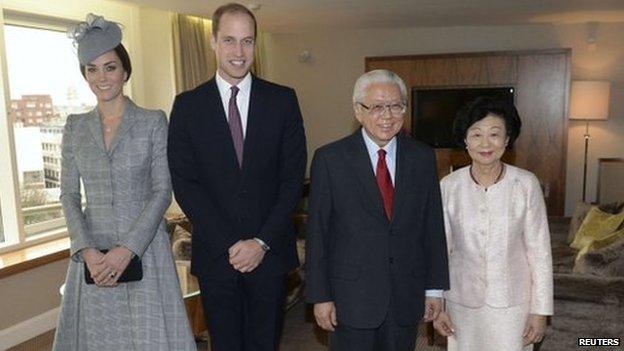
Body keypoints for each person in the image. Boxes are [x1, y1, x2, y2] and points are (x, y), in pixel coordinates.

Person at [167, 3, 307, 351]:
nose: (239, 52)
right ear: (213, 42)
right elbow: (186, 184)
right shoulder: (187, 106)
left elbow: (292, 181)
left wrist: (259, 243)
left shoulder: (283, 100)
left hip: (269, 255)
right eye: (229, 40)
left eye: (247, 41)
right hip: (217, 256)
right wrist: (232, 243)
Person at [53, 14, 196, 351]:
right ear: (85, 75)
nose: (102, 77)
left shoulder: (152, 122)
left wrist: (127, 249)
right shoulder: (74, 127)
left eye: (110, 67)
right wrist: (86, 250)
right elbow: (69, 194)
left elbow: (162, 190)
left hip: (144, 251)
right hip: (93, 257)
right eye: (92, 69)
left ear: (125, 70)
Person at [305, 69, 449, 351]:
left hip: (405, 297)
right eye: (377, 106)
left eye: (396, 106)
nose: (388, 115)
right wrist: (320, 296)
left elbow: (432, 228)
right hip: (350, 298)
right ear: (358, 110)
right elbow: (318, 234)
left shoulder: (421, 157)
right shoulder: (329, 159)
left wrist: (434, 289)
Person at [433, 96, 554, 350]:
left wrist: (540, 311)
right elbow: (439, 251)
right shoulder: (448, 186)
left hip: (513, 305)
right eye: (476, 134)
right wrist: (438, 304)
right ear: (465, 140)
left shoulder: (526, 184)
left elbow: (540, 253)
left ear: (507, 139)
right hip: (461, 303)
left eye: (494, 134)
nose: (485, 143)